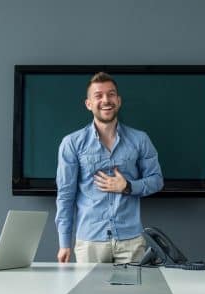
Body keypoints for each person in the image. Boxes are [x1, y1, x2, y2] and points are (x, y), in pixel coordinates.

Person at [55, 72, 164, 264]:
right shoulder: (71, 143)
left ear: (118, 101)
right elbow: (65, 195)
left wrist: (127, 186)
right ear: (88, 104)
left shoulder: (140, 140)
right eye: (98, 95)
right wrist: (64, 243)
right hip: (90, 242)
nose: (106, 100)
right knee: (88, 287)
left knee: (134, 286)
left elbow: (156, 180)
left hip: (131, 242)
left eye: (111, 94)